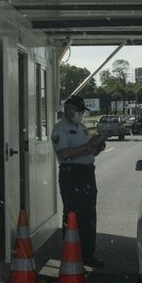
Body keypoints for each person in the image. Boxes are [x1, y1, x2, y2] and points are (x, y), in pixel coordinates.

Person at [51, 95, 106, 268]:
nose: (80, 115)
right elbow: (64, 154)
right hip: (71, 174)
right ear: (68, 109)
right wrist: (89, 145)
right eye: (78, 111)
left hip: (87, 173)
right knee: (73, 214)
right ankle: (71, 255)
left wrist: (98, 145)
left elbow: (89, 152)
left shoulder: (81, 128)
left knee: (89, 215)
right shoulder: (60, 129)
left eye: (82, 112)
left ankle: (88, 255)